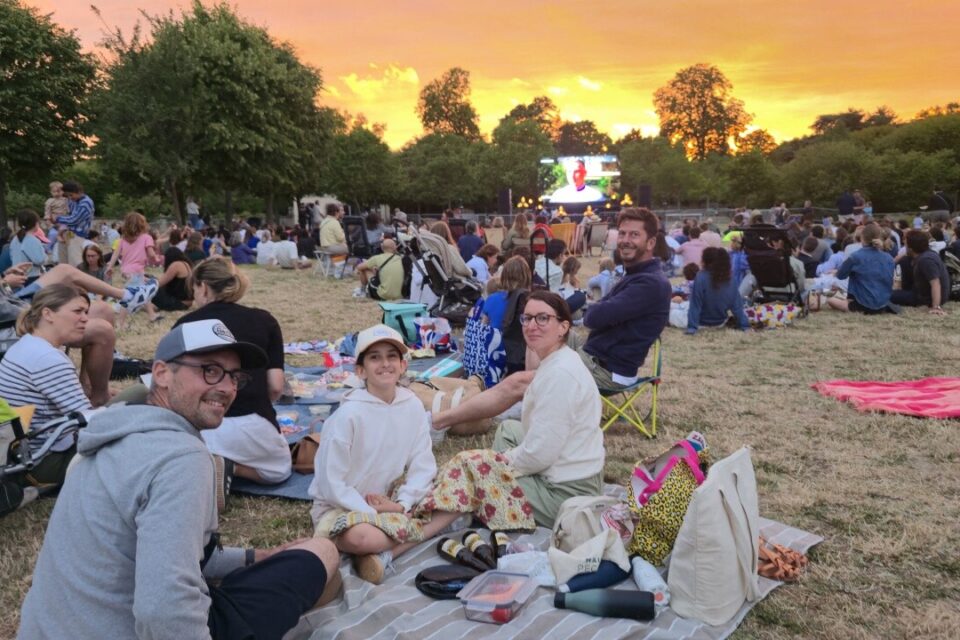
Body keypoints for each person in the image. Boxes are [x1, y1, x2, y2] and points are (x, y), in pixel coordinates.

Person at [18, 319, 340, 640]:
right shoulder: (181, 459)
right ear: (161, 373)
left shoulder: (109, 436)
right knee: (322, 550)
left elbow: (170, 553)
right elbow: (163, 610)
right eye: (209, 370)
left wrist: (257, 558)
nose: (227, 388)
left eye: (234, 376)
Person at [436, 291, 604, 527]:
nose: (532, 325)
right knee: (507, 430)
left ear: (563, 327)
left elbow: (539, 454)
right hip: (573, 466)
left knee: (475, 471)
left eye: (543, 318)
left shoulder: (560, 375)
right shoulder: (559, 358)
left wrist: (496, 462)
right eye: (527, 318)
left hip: (566, 493)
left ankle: (498, 506)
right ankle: (500, 498)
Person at [309, 324, 438, 583]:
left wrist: (402, 504)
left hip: (388, 504)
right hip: (343, 508)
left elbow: (422, 464)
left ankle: (384, 551)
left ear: (403, 365)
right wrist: (376, 514)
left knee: (457, 493)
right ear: (360, 370)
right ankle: (391, 546)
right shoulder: (348, 415)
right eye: (375, 357)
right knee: (363, 537)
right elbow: (331, 483)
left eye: (392, 356)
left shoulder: (411, 405)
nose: (385, 364)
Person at [175, 258, 292, 488]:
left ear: (204, 287)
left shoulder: (185, 324)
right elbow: (276, 386)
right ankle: (232, 467)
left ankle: (208, 464)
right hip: (253, 425)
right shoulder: (264, 320)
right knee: (279, 471)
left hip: (199, 429)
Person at [0, 285, 93, 488]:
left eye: (86, 312)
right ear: (48, 314)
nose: (85, 318)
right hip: (40, 465)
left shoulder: (25, 344)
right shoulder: (47, 359)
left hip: (18, 454)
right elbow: (91, 422)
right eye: (77, 311)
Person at [826, 223, 896, 314]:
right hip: (883, 304)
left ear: (862, 238)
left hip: (862, 304)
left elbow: (840, 276)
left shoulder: (855, 256)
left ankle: (850, 303)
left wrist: (838, 272)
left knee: (830, 300)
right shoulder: (889, 258)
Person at [685, 247, 750, 334]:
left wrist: (692, 328)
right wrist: (745, 326)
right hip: (720, 322)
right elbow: (737, 307)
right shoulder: (730, 279)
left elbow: (695, 306)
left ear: (706, 261)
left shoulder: (701, 277)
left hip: (700, 323)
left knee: (673, 310)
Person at [890, 231, 950, 315]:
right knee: (904, 261)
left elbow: (935, 283)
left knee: (888, 295)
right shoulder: (926, 254)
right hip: (921, 291)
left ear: (911, 248)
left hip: (926, 298)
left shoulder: (926, 260)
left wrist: (936, 306)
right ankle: (904, 292)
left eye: (906, 245)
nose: (904, 246)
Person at [56, 181, 94, 267]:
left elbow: (74, 220)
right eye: (67, 195)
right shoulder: (73, 200)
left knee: (75, 263)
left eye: (71, 195)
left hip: (77, 236)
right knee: (63, 263)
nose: (69, 197)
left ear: (79, 191)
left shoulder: (86, 203)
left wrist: (58, 218)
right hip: (69, 233)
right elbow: (69, 215)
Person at [151, 247, 193, 312]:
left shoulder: (176, 265)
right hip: (185, 303)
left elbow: (158, 284)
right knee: (151, 279)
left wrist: (147, 281)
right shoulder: (186, 264)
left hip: (178, 303)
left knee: (149, 289)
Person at [10, 209, 47, 280]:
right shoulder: (32, 240)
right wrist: (45, 254)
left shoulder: (15, 239)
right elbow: (39, 260)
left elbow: (12, 255)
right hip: (31, 276)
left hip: (16, 275)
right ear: (36, 223)